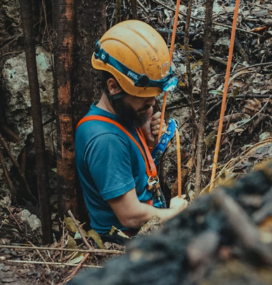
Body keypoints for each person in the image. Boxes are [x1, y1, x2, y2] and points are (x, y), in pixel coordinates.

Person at [75, 20, 188, 244]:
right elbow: (129, 214)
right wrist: (173, 214)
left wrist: (147, 140)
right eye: (143, 97)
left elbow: (130, 172)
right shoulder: (105, 140)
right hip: (128, 243)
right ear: (113, 86)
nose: (152, 104)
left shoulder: (117, 117)